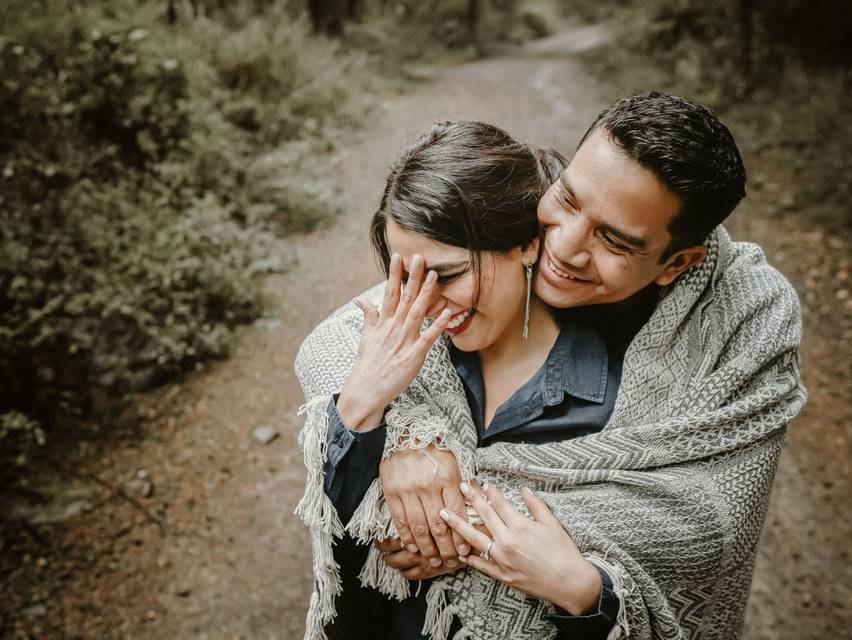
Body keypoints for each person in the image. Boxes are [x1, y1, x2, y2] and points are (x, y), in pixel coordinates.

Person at [295, 93, 806, 640]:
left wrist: (560, 577)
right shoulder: (445, 306)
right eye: (565, 200)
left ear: (675, 263)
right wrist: (391, 430)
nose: (560, 247)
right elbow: (343, 340)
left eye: (612, 239)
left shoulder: (715, 334)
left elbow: (705, 525)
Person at [300, 120, 627, 639]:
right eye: (405, 280)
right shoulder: (394, 366)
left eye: (447, 276)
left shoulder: (612, 401)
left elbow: (628, 590)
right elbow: (346, 556)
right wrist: (364, 414)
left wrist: (463, 537)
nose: (424, 306)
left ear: (525, 243)